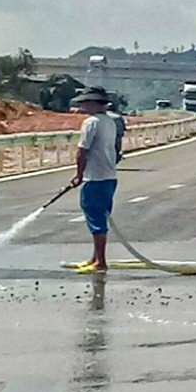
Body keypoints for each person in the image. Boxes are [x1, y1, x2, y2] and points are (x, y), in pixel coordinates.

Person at [69, 87, 121, 272]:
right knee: (101, 218)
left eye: (85, 102)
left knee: (95, 219)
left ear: (94, 103)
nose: (82, 105)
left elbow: (82, 151)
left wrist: (79, 175)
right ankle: (95, 258)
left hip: (95, 178)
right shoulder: (110, 121)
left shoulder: (90, 123)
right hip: (109, 176)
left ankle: (101, 261)